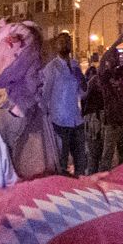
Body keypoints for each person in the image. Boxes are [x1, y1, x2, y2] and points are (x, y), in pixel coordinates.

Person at [0, 19, 60, 194]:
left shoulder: (42, 118)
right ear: (16, 78)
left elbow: (56, 177)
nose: (43, 78)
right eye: (35, 71)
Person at [42, 30, 89, 177]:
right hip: (59, 124)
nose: (65, 44)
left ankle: (80, 189)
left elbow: (83, 93)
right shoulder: (51, 68)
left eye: (68, 41)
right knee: (61, 165)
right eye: (61, 41)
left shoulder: (75, 65)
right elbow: (44, 96)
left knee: (81, 163)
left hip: (76, 122)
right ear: (56, 46)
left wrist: (81, 78)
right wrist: (48, 121)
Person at [86, 40, 123, 172]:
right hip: (111, 122)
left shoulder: (120, 72)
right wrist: (118, 41)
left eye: (117, 56)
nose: (116, 59)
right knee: (107, 156)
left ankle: (122, 178)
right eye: (113, 56)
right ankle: (104, 180)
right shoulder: (104, 76)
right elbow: (102, 62)